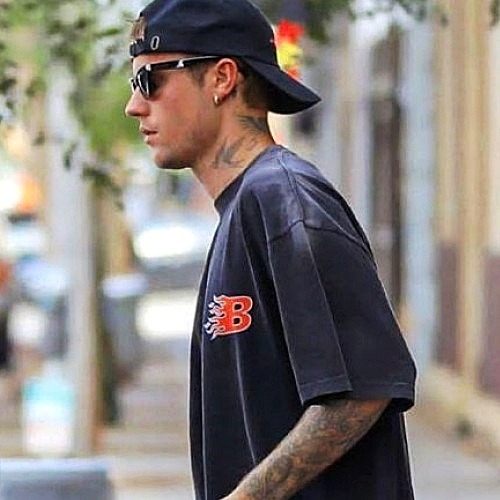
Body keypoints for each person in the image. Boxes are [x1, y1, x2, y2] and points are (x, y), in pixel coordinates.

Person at [125, 0, 416, 498]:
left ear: (222, 78)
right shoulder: (247, 208)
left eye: (149, 80)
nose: (134, 105)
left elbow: (364, 388)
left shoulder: (285, 200)